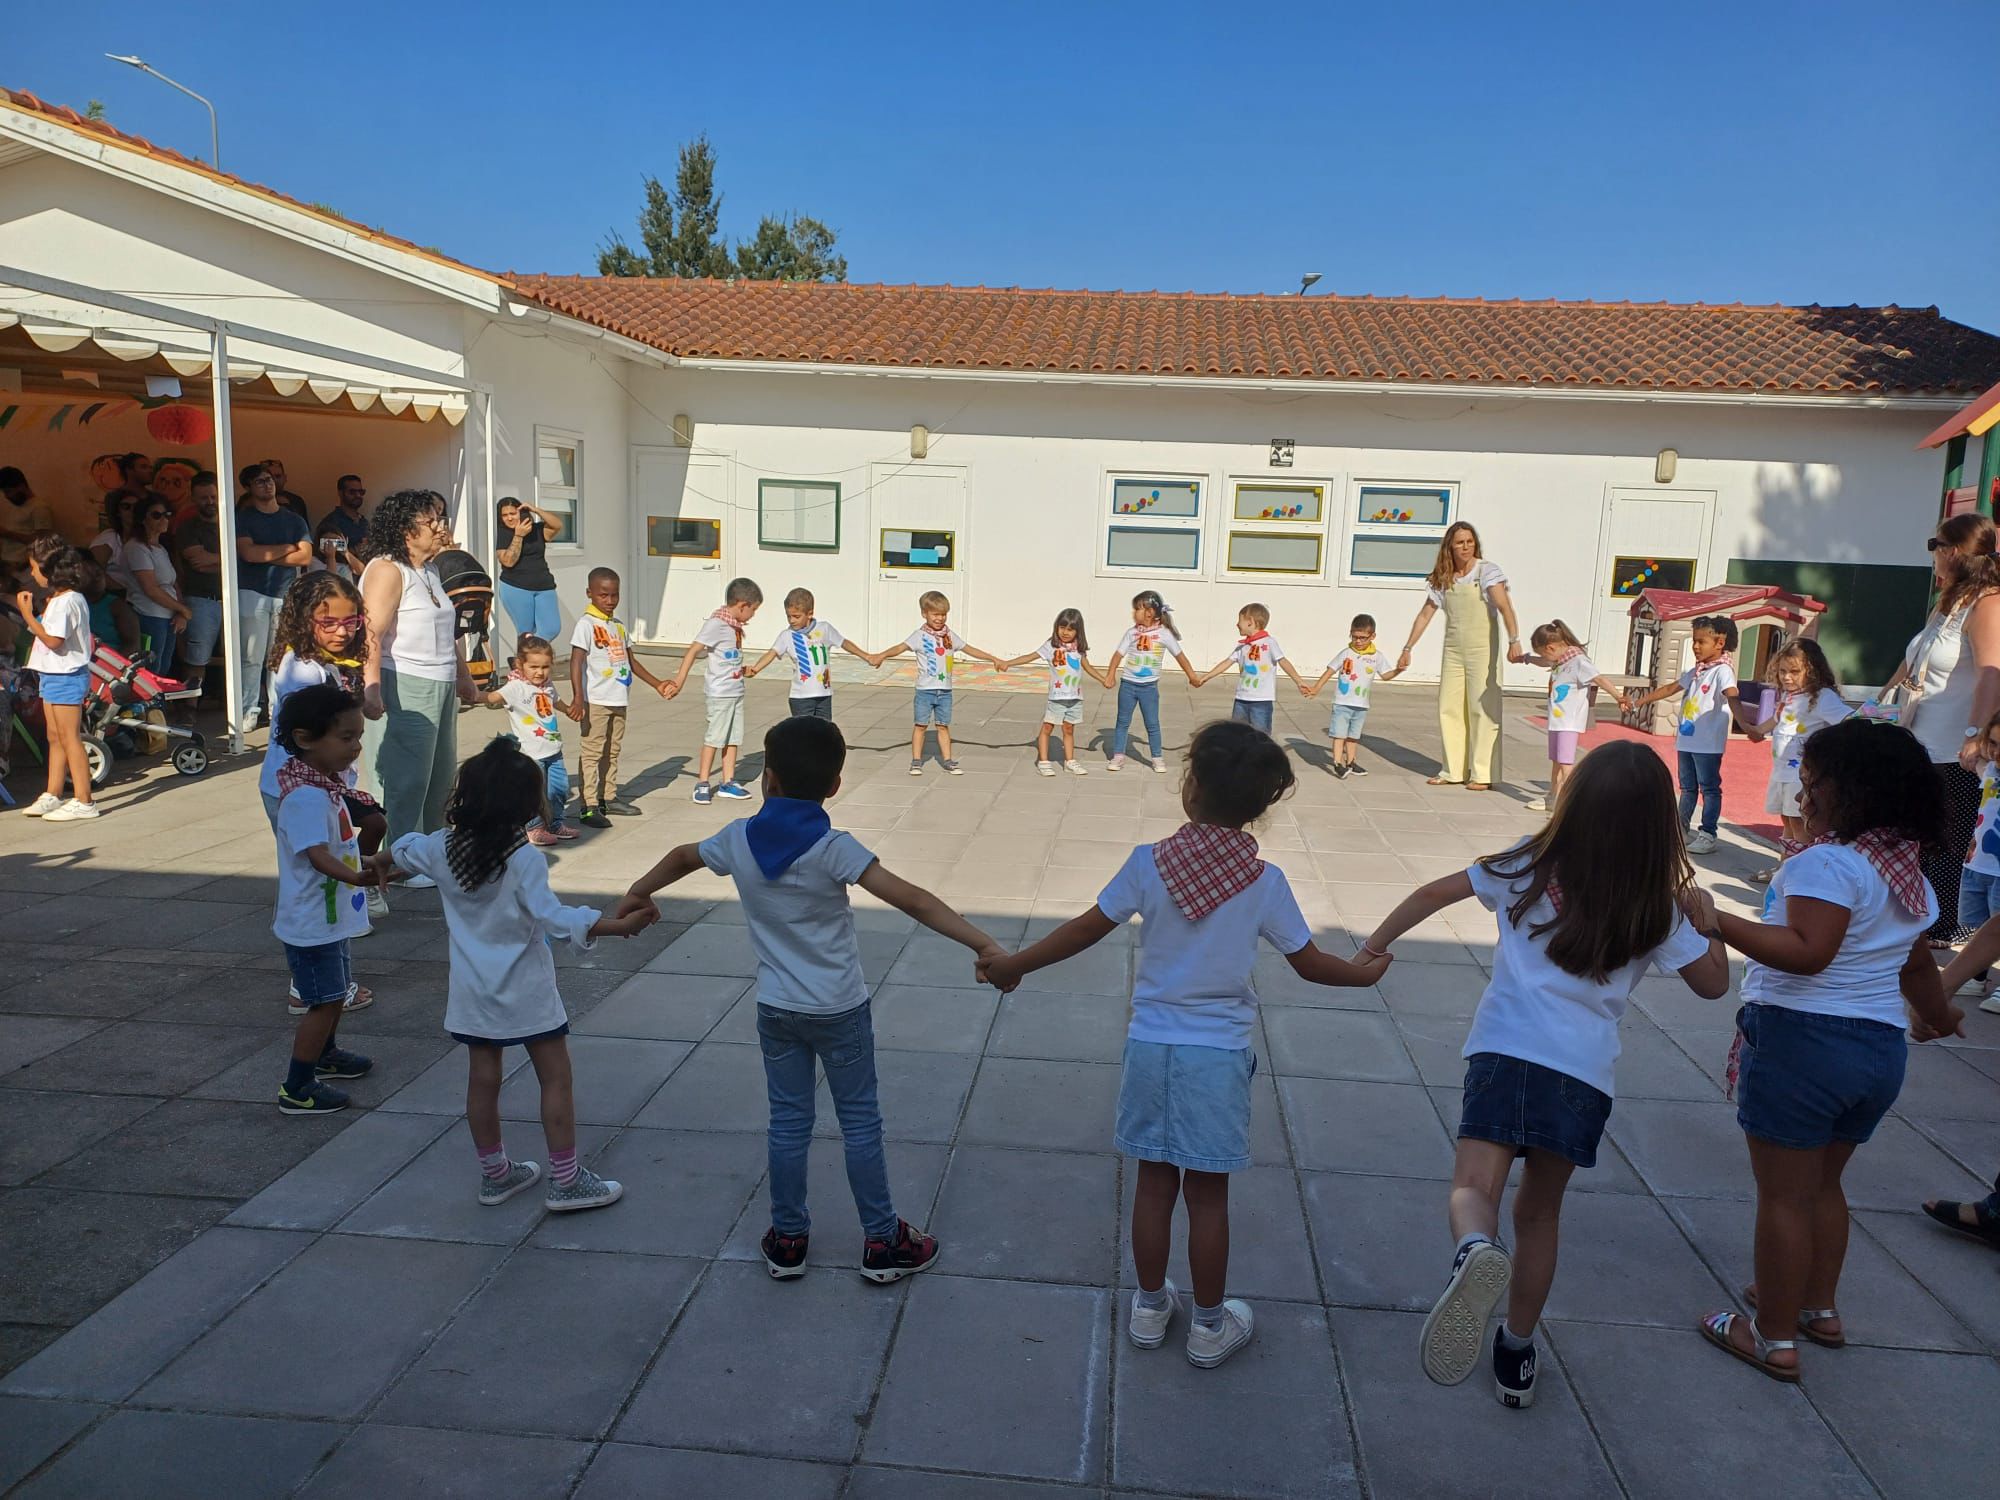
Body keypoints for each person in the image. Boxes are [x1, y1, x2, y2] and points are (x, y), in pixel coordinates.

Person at [984, 721, 1387, 1366]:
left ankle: (1149, 1309)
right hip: (1217, 1058)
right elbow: (1310, 964)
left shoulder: (1148, 864)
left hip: (1151, 1047)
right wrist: (1363, 973)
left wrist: (1015, 964)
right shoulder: (1265, 882)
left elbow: (1084, 929)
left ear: (1190, 787)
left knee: (1152, 1185)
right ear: (1260, 806)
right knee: (1207, 1196)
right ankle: (1208, 1325)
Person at [1363, 742, 1728, 1405]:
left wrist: (1374, 945)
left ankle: (1475, 1249)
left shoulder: (1526, 865)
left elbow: (1432, 893)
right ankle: (1517, 1352)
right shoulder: (1659, 903)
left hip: (1502, 1053)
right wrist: (1710, 920)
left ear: (1574, 801)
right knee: (1539, 1216)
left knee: (1473, 1187)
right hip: (1581, 1075)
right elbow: (1712, 985)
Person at [617, 715, 1006, 1279]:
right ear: (835, 785)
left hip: (777, 1009)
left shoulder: (737, 839)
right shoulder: (833, 848)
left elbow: (682, 856)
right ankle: (883, 1242)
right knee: (860, 1123)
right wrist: (983, 943)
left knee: (788, 1122)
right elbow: (914, 900)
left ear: (768, 779)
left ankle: (788, 1239)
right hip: (840, 1010)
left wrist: (638, 892)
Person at [1687, 718, 1964, 1381]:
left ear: (1854, 793)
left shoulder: (1827, 864)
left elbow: (1808, 951)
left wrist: (1716, 918)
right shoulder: (1906, 875)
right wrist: (1938, 1016)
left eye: (1813, 785)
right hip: (1877, 1052)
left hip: (1804, 1045)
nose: (1802, 796)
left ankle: (1772, 1337)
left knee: (1783, 1197)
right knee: (1823, 1186)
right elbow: (1915, 965)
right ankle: (1817, 1307)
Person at [391, 738, 655, 1210]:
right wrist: (618, 926)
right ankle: (566, 1181)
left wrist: (380, 861)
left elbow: (404, 849)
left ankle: (496, 1175)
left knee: (482, 1080)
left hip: (472, 990)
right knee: (555, 1077)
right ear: (526, 805)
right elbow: (553, 918)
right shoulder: (523, 858)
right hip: (526, 989)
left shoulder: (441, 847)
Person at [268, 683, 386, 1115]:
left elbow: (338, 847)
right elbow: (317, 855)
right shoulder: (305, 798)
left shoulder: (326, 789)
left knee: (336, 992)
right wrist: (357, 877)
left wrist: (368, 862)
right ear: (305, 739)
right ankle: (297, 1086)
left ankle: (325, 1054)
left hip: (328, 919)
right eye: (346, 737)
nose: (356, 747)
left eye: (358, 737)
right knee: (324, 1001)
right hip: (311, 923)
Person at [1885, 512, 2000, 946]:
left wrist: (1975, 735)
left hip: (1954, 746)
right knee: (1920, 834)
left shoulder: (1987, 604)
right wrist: (1881, 701)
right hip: (1920, 740)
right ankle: (1920, 915)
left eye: (1934, 546)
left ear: (1953, 552)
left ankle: (1947, 925)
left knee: (1950, 838)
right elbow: (1913, 660)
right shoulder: (1949, 600)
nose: (1932, 555)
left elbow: (1991, 673)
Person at [360, 490, 477, 864]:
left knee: (439, 778)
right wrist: (371, 688)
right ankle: (400, 860)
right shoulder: (387, 569)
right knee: (407, 779)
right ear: (405, 529)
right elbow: (371, 634)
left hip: (440, 682)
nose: (441, 528)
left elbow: (446, 630)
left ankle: (430, 853)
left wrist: (464, 675)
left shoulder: (430, 570)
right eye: (432, 521)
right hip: (405, 681)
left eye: (441, 519)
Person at [1395, 522, 1525, 791]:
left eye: (1469, 541)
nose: (1466, 547)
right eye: (1460, 542)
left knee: (1482, 709)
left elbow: (1505, 607)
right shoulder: (1444, 577)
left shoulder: (1487, 571)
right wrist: (1408, 648)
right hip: (1454, 650)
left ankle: (1482, 773)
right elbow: (1425, 615)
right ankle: (1453, 770)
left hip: (1482, 650)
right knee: (1450, 706)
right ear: (1450, 547)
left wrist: (1514, 640)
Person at [567, 566, 672, 826]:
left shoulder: (618, 626)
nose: (610, 600)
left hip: (618, 699)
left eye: (614, 595)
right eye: (603, 595)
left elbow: (632, 662)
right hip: (596, 700)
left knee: (612, 751)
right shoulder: (586, 625)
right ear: (589, 593)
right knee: (592, 752)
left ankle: (608, 797)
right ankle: (589, 805)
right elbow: (576, 661)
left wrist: (657, 684)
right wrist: (578, 697)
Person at [868, 589, 1012, 777]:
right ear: (924, 613)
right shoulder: (919, 636)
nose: (940, 618)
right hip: (925, 691)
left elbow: (969, 649)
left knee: (943, 726)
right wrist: (882, 655)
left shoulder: (949, 635)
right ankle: (916, 761)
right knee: (921, 725)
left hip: (945, 691)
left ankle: (948, 760)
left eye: (943, 614)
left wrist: (993, 658)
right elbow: (900, 648)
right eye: (935, 614)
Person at [1629, 615, 1742, 854]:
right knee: (1687, 787)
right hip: (1687, 740)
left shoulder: (1722, 671)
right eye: (1694, 641)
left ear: (1719, 643)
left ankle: (1708, 834)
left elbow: (1731, 693)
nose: (1696, 647)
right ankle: (1680, 829)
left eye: (1702, 642)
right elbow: (1671, 688)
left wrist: (1746, 724)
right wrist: (1639, 702)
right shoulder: (1697, 671)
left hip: (1707, 744)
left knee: (1709, 788)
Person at [1742, 641, 1850, 883]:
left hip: (1802, 776)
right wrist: (1757, 731)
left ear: (1813, 670)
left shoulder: (1822, 697)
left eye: (1794, 671)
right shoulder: (1789, 696)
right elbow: (1776, 720)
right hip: (1781, 772)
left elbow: (1846, 720)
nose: (1787, 677)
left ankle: (1799, 874)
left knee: (1800, 823)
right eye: (1782, 671)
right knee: (1787, 820)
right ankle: (1785, 868)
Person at [14, 535, 99, 822]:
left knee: (69, 737)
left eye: (34, 568)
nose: (32, 574)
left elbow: (53, 640)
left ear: (48, 570)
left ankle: (84, 800)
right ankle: (53, 792)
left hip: (66, 675)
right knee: (55, 736)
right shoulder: (61, 600)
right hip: (53, 673)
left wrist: (28, 616)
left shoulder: (66, 601)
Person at [666, 576, 765, 804]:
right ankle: (702, 782)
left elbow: (727, 659)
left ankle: (728, 782)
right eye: (753, 610)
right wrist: (680, 680)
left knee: (732, 738)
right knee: (715, 738)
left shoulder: (734, 627)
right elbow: (694, 650)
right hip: (720, 694)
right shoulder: (717, 624)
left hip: (735, 691)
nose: (753, 615)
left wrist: (742, 670)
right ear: (742, 605)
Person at [1517, 620, 1629, 813]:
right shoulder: (1560, 660)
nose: (1544, 658)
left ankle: (1572, 801)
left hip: (1568, 722)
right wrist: (1526, 659)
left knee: (1566, 764)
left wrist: (1618, 697)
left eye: (1543, 653)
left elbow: (1599, 678)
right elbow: (1544, 662)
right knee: (1556, 761)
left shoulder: (1578, 661)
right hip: (1557, 721)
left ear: (1551, 647)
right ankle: (1553, 796)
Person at [236, 464, 314, 723]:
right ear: (248, 487)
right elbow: (248, 554)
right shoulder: (244, 518)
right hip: (251, 591)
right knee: (251, 655)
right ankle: (247, 710)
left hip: (285, 593)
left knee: (279, 655)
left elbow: (305, 557)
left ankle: (277, 710)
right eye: (260, 481)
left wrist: (266, 554)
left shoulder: (294, 519)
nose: (267, 484)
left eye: (269, 479)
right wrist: (287, 548)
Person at [482, 634, 575, 846]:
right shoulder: (515, 687)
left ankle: (555, 823)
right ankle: (534, 828)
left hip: (554, 750)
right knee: (534, 793)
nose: (540, 672)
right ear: (520, 664)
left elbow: (556, 701)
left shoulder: (548, 685)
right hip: (532, 753)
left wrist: (569, 710)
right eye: (533, 667)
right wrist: (469, 691)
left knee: (559, 790)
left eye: (545, 667)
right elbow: (492, 697)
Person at [744, 586, 878, 724]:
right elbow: (772, 653)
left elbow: (843, 642)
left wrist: (866, 656)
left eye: (796, 616)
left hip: (824, 695)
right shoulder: (787, 635)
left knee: (824, 731)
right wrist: (756, 668)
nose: (791, 620)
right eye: (788, 616)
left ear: (809, 614)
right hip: (801, 697)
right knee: (804, 732)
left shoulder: (824, 628)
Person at [1101, 589, 1199, 774]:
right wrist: (1110, 674)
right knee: (1122, 722)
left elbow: (1180, 657)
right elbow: (1118, 655)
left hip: (1149, 688)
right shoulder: (1131, 633)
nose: (1133, 613)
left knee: (1152, 724)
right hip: (1128, 685)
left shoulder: (1164, 634)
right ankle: (1118, 755)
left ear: (1150, 612)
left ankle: (1157, 757)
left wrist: (1192, 676)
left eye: (1137, 609)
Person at [1940, 709, 2000, 1008]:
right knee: (1977, 926)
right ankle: (1976, 978)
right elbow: (1978, 765)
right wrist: (1974, 748)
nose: (1997, 752)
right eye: (1994, 743)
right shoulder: (1991, 772)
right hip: (1978, 863)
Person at [1002, 608, 1108, 776]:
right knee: (1048, 727)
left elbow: (1087, 667)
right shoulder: (1051, 646)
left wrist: (1103, 679)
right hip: (1057, 697)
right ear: (1056, 627)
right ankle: (1043, 761)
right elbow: (1030, 656)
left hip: (1075, 697)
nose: (1065, 632)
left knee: (1069, 729)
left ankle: (1069, 761)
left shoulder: (1078, 648)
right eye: (1062, 627)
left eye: (1070, 629)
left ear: (1078, 631)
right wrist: (1008, 663)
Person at [1304, 613, 1401, 778]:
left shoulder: (1376, 657)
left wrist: (1399, 670)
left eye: (1363, 638)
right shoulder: (1346, 653)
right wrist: (1316, 688)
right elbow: (1330, 670)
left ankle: (1351, 762)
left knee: (1353, 737)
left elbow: (1386, 675)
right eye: (1355, 637)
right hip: (1342, 703)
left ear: (1372, 636)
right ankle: (1337, 763)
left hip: (1361, 705)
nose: (1358, 641)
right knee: (1339, 735)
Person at [1193, 602, 1310, 734]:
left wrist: (1299, 681)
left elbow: (1283, 661)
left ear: (1251, 622)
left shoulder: (1269, 642)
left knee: (1261, 735)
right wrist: (1206, 677)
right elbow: (1226, 662)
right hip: (1241, 699)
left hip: (1261, 701)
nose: (1237, 624)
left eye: (1240, 620)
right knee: (1237, 733)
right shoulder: (1242, 646)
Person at [121, 492, 192, 680]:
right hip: (148, 615)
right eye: (156, 515)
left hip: (168, 617)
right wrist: (183, 609)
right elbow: (151, 589)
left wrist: (180, 612)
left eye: (167, 514)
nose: (164, 519)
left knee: (164, 666)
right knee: (151, 669)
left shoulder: (161, 548)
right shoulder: (136, 547)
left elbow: (173, 583)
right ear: (142, 519)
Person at [170, 471, 226, 695]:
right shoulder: (188, 528)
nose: (210, 502)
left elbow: (245, 559)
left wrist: (218, 560)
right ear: (193, 498)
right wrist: (234, 561)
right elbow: (199, 563)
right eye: (204, 498)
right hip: (201, 599)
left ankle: (236, 707)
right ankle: (190, 708)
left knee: (241, 656)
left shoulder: (233, 524)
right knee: (196, 659)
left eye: (213, 496)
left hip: (234, 598)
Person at [493, 496, 562, 646]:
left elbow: (557, 525)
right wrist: (518, 535)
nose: (509, 518)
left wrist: (535, 509)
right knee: (526, 632)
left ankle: (530, 652)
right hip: (516, 587)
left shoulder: (537, 529)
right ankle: (528, 658)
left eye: (513, 513)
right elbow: (508, 561)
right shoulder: (503, 533)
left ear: (522, 512)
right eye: (504, 515)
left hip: (544, 586)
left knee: (552, 629)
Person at [87, 489, 143, 655]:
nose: (132, 510)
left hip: (139, 599)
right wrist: (125, 589)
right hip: (112, 600)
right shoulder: (109, 538)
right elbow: (94, 572)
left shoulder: (142, 538)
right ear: (117, 512)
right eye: (126, 506)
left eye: (137, 506)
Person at [316, 475, 370, 582]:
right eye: (352, 492)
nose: (358, 495)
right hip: (342, 581)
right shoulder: (331, 523)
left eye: (361, 492)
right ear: (341, 493)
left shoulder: (364, 522)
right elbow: (326, 553)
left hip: (366, 580)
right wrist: (352, 550)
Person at [0, 466, 55, 571]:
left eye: (8, 491)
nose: (6, 496)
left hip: (21, 566)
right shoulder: (17, 506)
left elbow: (42, 543)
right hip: (7, 562)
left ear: (21, 486)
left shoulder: (39, 508)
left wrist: (7, 533)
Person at [259, 457, 311, 524]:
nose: (274, 480)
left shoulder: (296, 501)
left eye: (278, 476)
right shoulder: (250, 501)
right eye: (269, 477)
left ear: (285, 478)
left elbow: (304, 528)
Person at [151, 459, 196, 527]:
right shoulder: (153, 511)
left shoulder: (192, 514)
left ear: (188, 485)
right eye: (163, 480)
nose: (169, 486)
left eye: (176, 481)